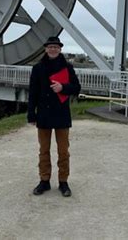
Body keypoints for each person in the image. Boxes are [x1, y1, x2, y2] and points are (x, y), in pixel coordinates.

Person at [27, 36, 81, 197]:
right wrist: (31, 113)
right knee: (44, 150)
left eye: (55, 47)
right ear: (46, 49)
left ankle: (63, 182)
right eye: (50, 47)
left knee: (63, 151)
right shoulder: (37, 68)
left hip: (61, 114)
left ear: (60, 49)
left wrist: (63, 87)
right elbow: (33, 93)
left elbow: (76, 88)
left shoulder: (68, 67)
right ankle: (44, 181)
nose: (53, 49)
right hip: (43, 114)